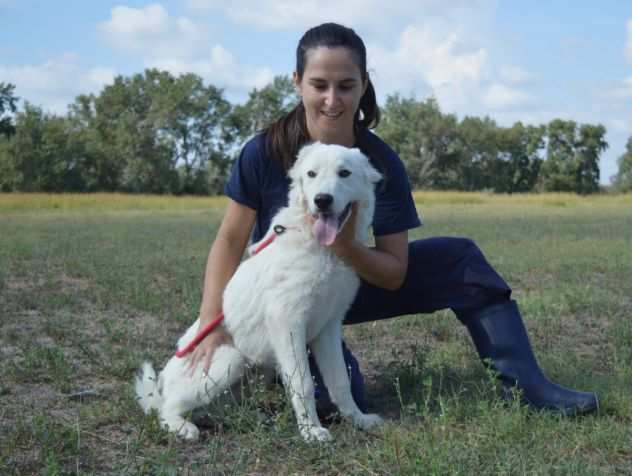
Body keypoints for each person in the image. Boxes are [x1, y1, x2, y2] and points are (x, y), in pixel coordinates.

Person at [186, 22, 598, 416]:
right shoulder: (264, 151)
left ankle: (527, 388)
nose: (333, 99)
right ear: (297, 82)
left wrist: (346, 246)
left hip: (351, 281)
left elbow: (394, 273)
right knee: (338, 405)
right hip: (291, 298)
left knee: (462, 259)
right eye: (319, 85)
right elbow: (229, 240)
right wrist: (210, 323)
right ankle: (279, 365)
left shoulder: (378, 162)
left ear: (364, 84)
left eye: (346, 85)